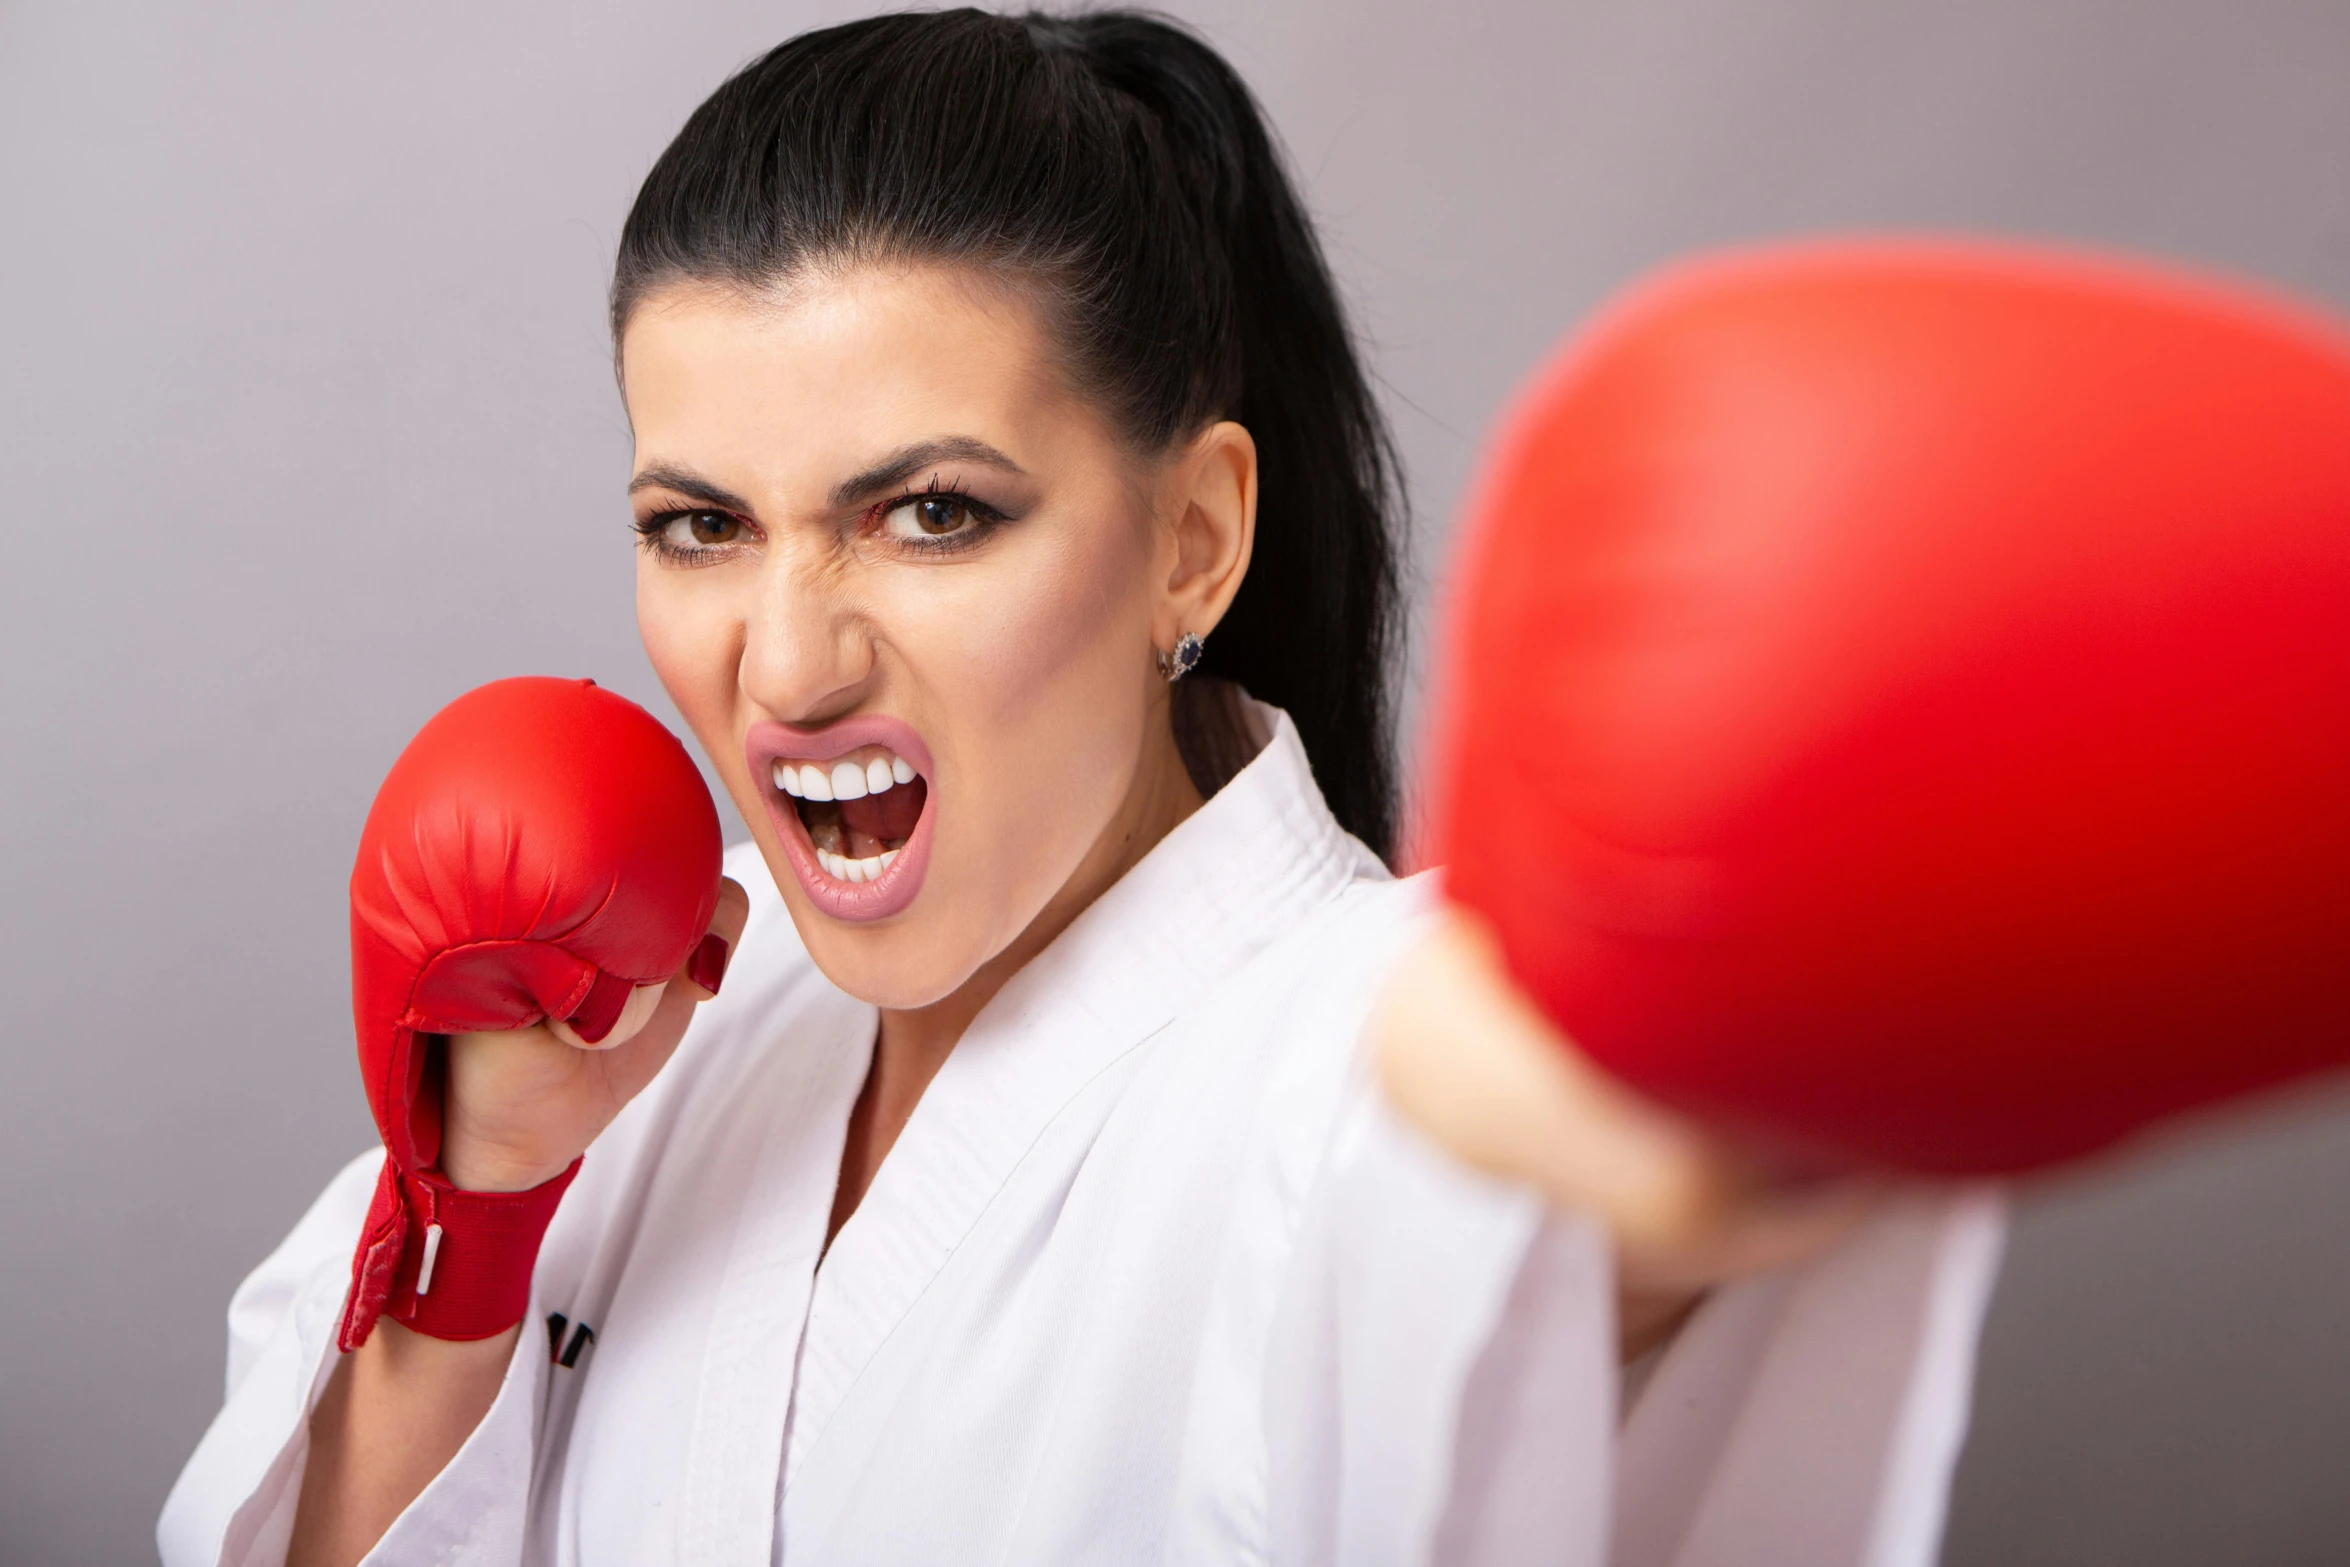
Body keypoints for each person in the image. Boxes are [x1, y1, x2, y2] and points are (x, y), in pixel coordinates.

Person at [158, 12, 2001, 1565]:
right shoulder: (640, 1027)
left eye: (932, 512)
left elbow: (1575, 1204)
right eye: (699, 524)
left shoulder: (1369, 1051)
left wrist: (1760, 997)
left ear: (1190, 543)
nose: (787, 665)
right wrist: (478, 1210)